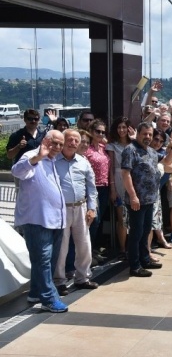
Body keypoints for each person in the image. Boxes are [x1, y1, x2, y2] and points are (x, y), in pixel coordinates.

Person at [12, 130, 68, 312]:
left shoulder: (52, 160)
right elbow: (17, 171)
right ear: (45, 141)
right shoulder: (32, 156)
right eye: (55, 143)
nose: (58, 147)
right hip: (37, 220)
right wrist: (37, 157)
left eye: (61, 144)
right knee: (42, 260)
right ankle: (49, 299)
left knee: (48, 260)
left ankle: (36, 291)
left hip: (55, 220)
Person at [121, 123, 172, 278]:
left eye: (150, 134)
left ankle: (145, 259)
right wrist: (133, 196)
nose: (148, 137)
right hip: (137, 200)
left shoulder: (152, 151)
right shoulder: (130, 150)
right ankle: (135, 266)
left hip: (150, 199)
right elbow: (125, 174)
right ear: (138, 133)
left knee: (145, 231)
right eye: (145, 134)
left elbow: (166, 162)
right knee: (136, 233)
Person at [53, 129, 99, 294]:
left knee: (84, 245)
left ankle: (82, 278)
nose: (73, 143)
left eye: (76, 140)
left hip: (81, 208)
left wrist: (92, 208)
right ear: (63, 141)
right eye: (69, 139)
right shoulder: (53, 161)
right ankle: (59, 281)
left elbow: (91, 188)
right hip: (61, 209)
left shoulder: (83, 162)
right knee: (62, 248)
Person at [105, 117, 133, 257]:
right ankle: (122, 249)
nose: (121, 130)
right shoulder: (112, 145)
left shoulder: (134, 144)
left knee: (134, 216)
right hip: (118, 178)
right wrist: (113, 188)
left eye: (124, 127)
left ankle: (133, 246)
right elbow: (111, 168)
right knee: (121, 217)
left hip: (133, 179)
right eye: (119, 127)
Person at [85, 120, 111, 264]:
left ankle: (94, 250)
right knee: (93, 220)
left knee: (100, 220)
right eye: (98, 131)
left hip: (105, 187)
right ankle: (87, 252)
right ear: (91, 132)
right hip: (92, 188)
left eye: (103, 132)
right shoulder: (87, 149)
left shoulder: (103, 147)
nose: (101, 134)